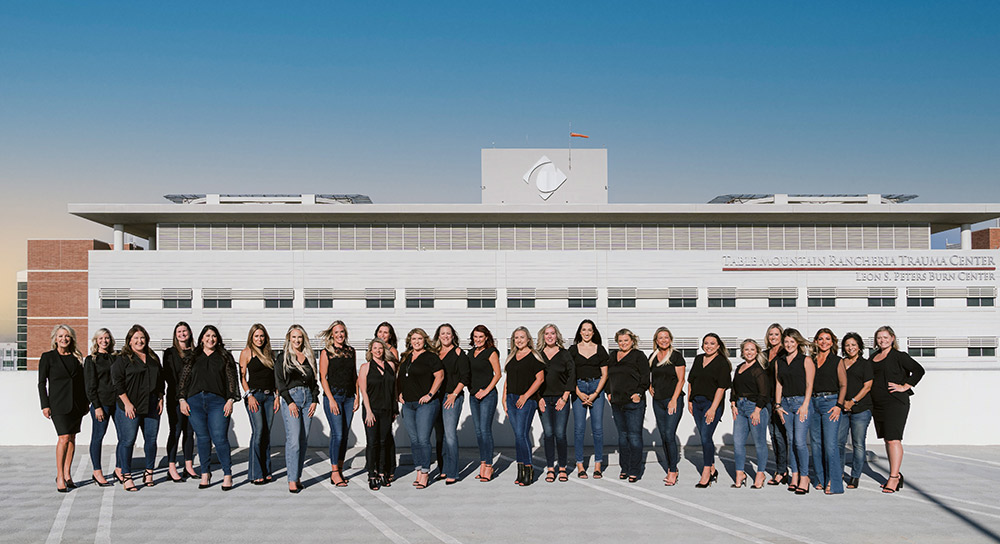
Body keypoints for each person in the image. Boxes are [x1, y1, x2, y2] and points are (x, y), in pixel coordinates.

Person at [178, 325, 239, 491]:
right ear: (202, 338)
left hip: (218, 402)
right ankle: (205, 473)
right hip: (195, 402)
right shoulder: (193, 356)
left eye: (213, 336)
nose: (210, 339)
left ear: (217, 339)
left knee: (219, 438)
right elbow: (184, 380)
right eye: (207, 336)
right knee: (203, 439)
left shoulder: (224, 357)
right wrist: (182, 399)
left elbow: (232, 380)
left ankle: (227, 474)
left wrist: (230, 400)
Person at [870, 325, 925, 493]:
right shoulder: (872, 357)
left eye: (886, 337)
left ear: (892, 338)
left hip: (895, 403)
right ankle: (895, 475)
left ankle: (894, 477)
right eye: (879, 337)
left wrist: (905, 386)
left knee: (894, 439)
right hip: (877, 404)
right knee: (887, 439)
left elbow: (918, 370)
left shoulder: (899, 356)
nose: (882, 340)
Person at [112, 324, 164, 491]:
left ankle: (149, 473)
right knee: (128, 441)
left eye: (142, 338)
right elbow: (117, 383)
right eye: (136, 338)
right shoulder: (123, 359)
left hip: (151, 405)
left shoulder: (153, 357)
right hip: (130, 407)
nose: (139, 341)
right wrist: (127, 404)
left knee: (151, 441)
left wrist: (160, 398)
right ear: (129, 341)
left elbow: (160, 380)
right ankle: (126, 476)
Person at [38, 324, 88, 493]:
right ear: (55, 339)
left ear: (71, 338)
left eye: (67, 336)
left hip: (76, 405)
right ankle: (59, 475)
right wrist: (44, 405)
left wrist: (86, 403)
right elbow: (41, 383)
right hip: (57, 404)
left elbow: (82, 383)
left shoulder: (77, 358)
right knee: (64, 438)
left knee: (72, 438)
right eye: (60, 336)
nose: (63, 339)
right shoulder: (48, 357)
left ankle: (67, 474)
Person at [275, 324, 320, 493]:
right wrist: (289, 401)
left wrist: (315, 399)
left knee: (303, 441)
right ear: (289, 338)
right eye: (293, 337)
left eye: (299, 337)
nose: (297, 340)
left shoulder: (309, 357)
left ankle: (297, 476)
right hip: (291, 399)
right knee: (293, 441)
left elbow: (314, 382)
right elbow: (279, 382)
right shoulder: (282, 357)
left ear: (304, 339)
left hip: (308, 399)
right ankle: (291, 480)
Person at [398, 328, 444, 489]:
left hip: (426, 404)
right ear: (409, 340)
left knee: (423, 439)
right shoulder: (405, 357)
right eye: (413, 338)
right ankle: (418, 470)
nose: (416, 341)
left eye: (419, 338)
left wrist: (430, 394)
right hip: (408, 404)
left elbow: (440, 376)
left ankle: (425, 472)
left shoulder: (431, 357)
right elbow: (402, 377)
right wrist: (400, 393)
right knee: (414, 440)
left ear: (425, 340)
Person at [687, 333, 732, 488]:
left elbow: (721, 388)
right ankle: (712, 468)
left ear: (718, 345)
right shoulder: (699, 359)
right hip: (697, 403)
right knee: (704, 437)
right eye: (706, 343)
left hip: (711, 404)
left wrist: (713, 408)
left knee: (706, 436)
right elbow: (691, 381)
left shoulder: (722, 363)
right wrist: (689, 401)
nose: (708, 346)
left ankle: (706, 472)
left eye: (712, 343)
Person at [774, 328, 815, 495]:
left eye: (792, 341)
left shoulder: (806, 360)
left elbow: (809, 385)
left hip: (801, 403)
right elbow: (779, 384)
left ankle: (805, 477)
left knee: (799, 441)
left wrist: (805, 404)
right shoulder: (780, 361)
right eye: (786, 342)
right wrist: (777, 405)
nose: (789, 344)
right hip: (785, 405)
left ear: (798, 342)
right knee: (791, 441)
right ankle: (795, 475)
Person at [503, 326, 546, 486]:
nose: (519, 340)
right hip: (511, 399)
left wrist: (526, 396)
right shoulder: (512, 357)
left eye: (522, 337)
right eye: (516, 337)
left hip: (526, 400)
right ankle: (520, 470)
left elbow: (539, 379)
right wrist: (504, 398)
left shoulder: (534, 357)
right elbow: (508, 380)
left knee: (521, 434)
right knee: (518, 436)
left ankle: (528, 468)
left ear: (528, 339)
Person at [319, 320, 358, 487]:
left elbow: (354, 376)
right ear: (331, 335)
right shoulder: (326, 352)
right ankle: (334, 472)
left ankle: (340, 469)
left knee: (345, 435)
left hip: (349, 398)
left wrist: (357, 397)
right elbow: (323, 378)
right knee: (338, 434)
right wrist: (332, 400)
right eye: (336, 332)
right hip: (333, 397)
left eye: (342, 331)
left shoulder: (351, 351)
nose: (339, 335)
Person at [239, 323, 279, 485]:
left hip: (270, 397)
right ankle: (256, 473)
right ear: (251, 337)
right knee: (258, 432)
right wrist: (249, 395)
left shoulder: (270, 354)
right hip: (254, 396)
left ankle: (266, 470)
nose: (259, 339)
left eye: (262, 336)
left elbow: (275, 377)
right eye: (256, 336)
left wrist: (277, 396)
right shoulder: (246, 353)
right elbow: (242, 376)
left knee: (266, 434)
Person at [810, 328, 848, 494]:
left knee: (830, 445)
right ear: (816, 342)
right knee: (816, 444)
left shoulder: (837, 361)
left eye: (827, 339)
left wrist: (839, 406)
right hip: (813, 403)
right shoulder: (811, 360)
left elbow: (843, 385)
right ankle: (820, 478)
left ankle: (834, 482)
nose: (824, 342)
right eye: (820, 339)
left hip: (830, 403)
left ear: (832, 342)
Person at [608, 328, 649, 483]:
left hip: (634, 403)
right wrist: (608, 392)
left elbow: (645, 377)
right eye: (620, 341)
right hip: (617, 402)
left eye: (626, 340)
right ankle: (624, 468)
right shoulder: (613, 356)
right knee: (623, 437)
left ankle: (634, 470)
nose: (623, 343)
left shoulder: (639, 356)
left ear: (632, 341)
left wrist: (638, 393)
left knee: (634, 437)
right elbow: (607, 376)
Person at [570, 319, 609, 479]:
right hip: (578, 388)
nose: (586, 333)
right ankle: (580, 464)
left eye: (589, 330)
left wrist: (595, 394)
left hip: (596, 389)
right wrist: (578, 393)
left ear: (594, 332)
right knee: (579, 430)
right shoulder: (572, 350)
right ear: (580, 332)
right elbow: (569, 374)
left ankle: (598, 465)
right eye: (584, 329)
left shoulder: (600, 349)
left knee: (597, 430)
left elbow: (605, 374)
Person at [537, 323, 575, 483]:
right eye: (547, 334)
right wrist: (538, 398)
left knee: (560, 434)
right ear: (543, 336)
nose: (550, 336)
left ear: (557, 335)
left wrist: (565, 397)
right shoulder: (538, 354)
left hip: (561, 399)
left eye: (552, 333)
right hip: (543, 399)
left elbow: (572, 375)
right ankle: (551, 468)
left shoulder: (565, 354)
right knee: (548, 434)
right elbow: (534, 378)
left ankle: (562, 467)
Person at [730, 339, 770, 489]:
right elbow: (734, 387)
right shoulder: (740, 367)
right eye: (746, 349)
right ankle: (740, 473)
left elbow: (764, 393)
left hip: (755, 408)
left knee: (759, 443)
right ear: (742, 352)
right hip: (739, 408)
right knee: (738, 442)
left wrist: (757, 410)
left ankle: (760, 473)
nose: (749, 352)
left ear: (757, 352)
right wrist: (733, 403)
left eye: (752, 349)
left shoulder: (758, 370)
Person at [359, 339, 398, 490]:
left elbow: (393, 390)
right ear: (370, 351)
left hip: (387, 410)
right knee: (372, 442)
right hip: (372, 410)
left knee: (384, 442)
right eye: (375, 348)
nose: (378, 351)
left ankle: (382, 472)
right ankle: (371, 474)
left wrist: (395, 409)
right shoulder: (365, 367)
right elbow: (363, 391)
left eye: (380, 348)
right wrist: (368, 411)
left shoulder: (391, 366)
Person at [434, 324, 471, 484]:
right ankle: (443, 469)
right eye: (442, 333)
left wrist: (454, 394)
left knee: (450, 435)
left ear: (453, 336)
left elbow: (465, 377)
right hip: (436, 398)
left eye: (448, 333)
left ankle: (453, 472)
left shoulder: (458, 353)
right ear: (438, 336)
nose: (445, 336)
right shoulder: (434, 354)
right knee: (440, 436)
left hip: (452, 397)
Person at [648, 327, 685, 486]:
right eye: (660, 338)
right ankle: (671, 466)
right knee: (663, 435)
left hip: (673, 400)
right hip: (658, 401)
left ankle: (672, 470)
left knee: (669, 434)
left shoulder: (676, 356)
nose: (663, 340)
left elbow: (681, 380)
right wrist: (649, 386)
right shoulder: (653, 356)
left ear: (670, 339)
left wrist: (674, 400)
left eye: (666, 337)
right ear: (656, 340)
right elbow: (650, 375)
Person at [838, 332, 873, 490]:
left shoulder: (865, 364)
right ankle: (838, 473)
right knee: (838, 442)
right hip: (842, 408)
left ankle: (855, 476)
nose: (850, 348)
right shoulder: (840, 363)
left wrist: (852, 402)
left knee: (858, 444)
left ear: (859, 347)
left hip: (861, 408)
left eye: (853, 344)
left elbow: (867, 386)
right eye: (847, 345)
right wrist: (842, 403)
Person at [83, 328, 117, 487]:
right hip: (101, 404)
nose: (104, 341)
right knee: (98, 437)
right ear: (96, 341)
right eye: (101, 338)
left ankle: (120, 469)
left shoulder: (116, 357)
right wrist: (96, 406)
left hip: (117, 403)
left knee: (124, 437)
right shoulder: (91, 360)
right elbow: (90, 386)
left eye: (107, 338)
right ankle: (97, 471)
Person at [163, 321, 196, 482]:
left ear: (189, 333)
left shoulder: (196, 352)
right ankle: (171, 467)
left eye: (185, 331)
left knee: (189, 432)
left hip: (193, 398)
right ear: (175, 335)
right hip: (175, 398)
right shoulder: (170, 353)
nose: (182, 334)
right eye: (179, 331)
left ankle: (188, 466)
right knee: (175, 431)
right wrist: (181, 398)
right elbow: (170, 377)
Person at [467, 324, 502, 481]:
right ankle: (482, 463)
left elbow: (498, 374)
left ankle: (489, 465)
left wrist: (485, 391)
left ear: (486, 337)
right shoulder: (470, 353)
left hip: (487, 395)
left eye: (481, 337)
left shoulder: (491, 352)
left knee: (485, 430)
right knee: (479, 432)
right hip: (474, 396)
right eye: (475, 337)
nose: (478, 339)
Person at [763, 323, 789, 486]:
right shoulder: (764, 354)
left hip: (781, 399)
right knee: (773, 435)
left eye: (776, 334)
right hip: (766, 399)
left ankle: (783, 471)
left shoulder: (785, 353)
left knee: (781, 436)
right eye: (771, 334)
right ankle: (781, 469)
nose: (773, 337)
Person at [374, 322, 400, 480]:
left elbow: (393, 379)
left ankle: (389, 468)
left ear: (390, 335)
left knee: (386, 435)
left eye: (386, 332)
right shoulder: (374, 350)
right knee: (375, 435)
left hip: (388, 398)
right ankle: (377, 466)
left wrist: (395, 402)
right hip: (374, 398)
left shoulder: (392, 351)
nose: (383, 335)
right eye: (380, 332)